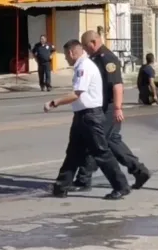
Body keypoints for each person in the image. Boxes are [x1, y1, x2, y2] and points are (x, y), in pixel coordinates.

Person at [57, 30, 151, 192]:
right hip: (99, 106)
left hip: (108, 107)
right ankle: (139, 171)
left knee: (96, 144)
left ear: (93, 42)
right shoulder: (94, 58)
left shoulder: (108, 58)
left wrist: (117, 108)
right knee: (110, 141)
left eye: (86, 47)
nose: (85, 51)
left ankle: (85, 179)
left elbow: (117, 85)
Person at [45, 39, 131, 200]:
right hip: (82, 116)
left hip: (90, 117)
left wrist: (53, 102)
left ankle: (121, 186)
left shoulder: (84, 66)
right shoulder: (83, 65)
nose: (66, 59)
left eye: (66, 55)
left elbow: (76, 93)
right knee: (73, 153)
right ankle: (61, 186)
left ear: (71, 53)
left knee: (101, 153)